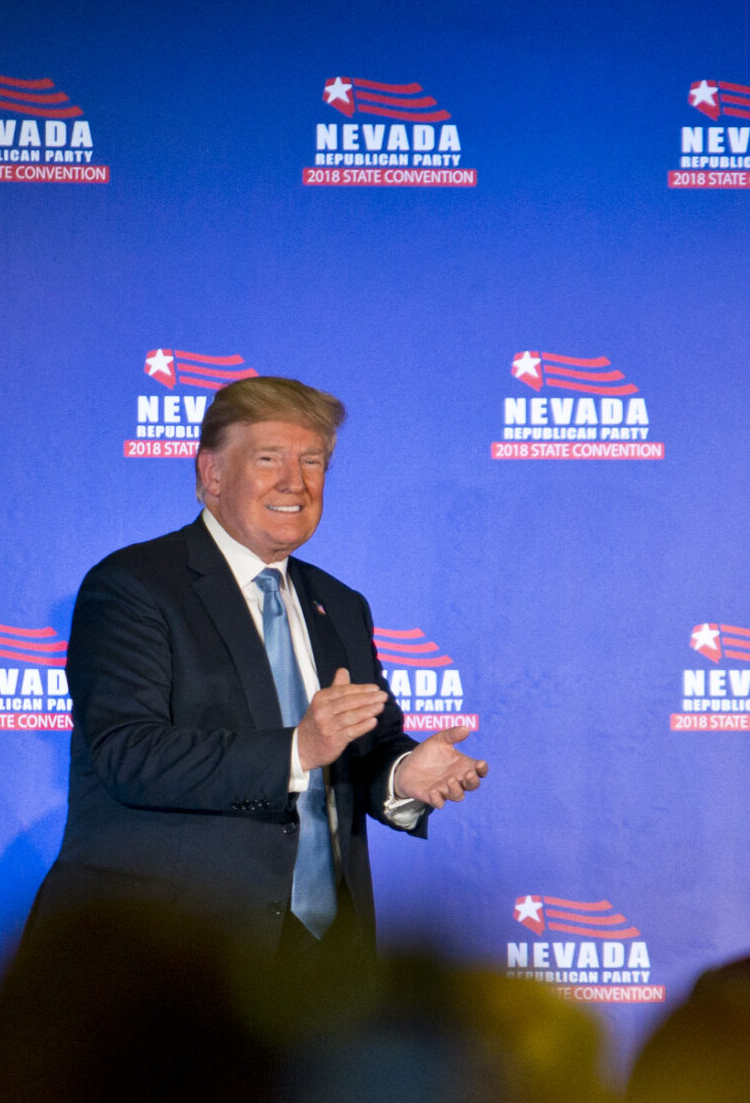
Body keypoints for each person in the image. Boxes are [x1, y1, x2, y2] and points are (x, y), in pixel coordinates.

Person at [30, 376, 486, 967]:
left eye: (312, 461)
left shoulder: (340, 604)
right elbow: (129, 754)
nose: (294, 482)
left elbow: (361, 746)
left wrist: (401, 774)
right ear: (212, 475)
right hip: (173, 952)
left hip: (322, 956)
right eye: (269, 458)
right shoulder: (133, 586)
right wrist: (297, 748)